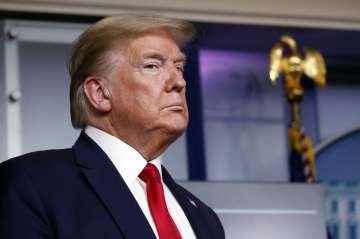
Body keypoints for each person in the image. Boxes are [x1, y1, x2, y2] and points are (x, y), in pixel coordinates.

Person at [0, 14, 225, 239]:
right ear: (99, 93)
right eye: (152, 66)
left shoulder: (204, 219)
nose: (179, 82)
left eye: (179, 67)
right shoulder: (30, 184)